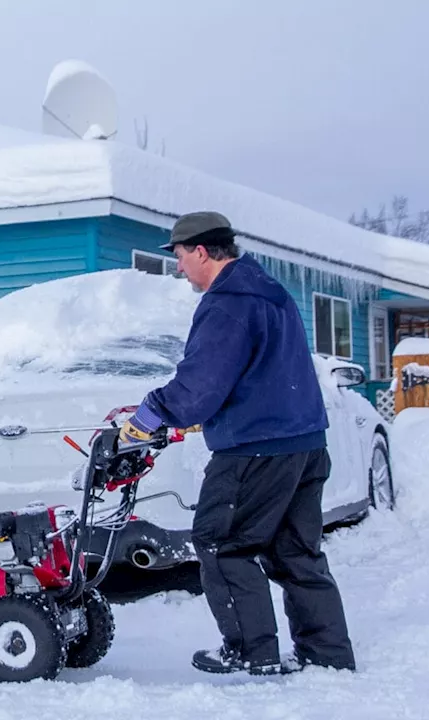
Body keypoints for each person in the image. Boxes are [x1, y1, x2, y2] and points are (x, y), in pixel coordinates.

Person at [117, 211, 357, 676]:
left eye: (181, 256)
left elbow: (202, 385)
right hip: (305, 443)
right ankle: (327, 654)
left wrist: (149, 416)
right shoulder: (272, 293)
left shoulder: (226, 303)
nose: (179, 267)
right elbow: (257, 372)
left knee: (220, 543)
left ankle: (251, 651)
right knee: (296, 552)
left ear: (202, 251)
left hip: (255, 449)